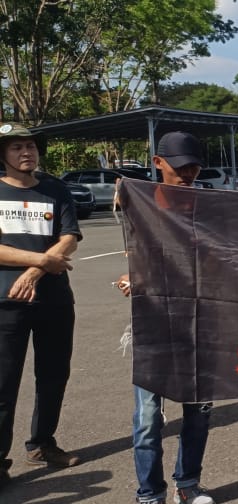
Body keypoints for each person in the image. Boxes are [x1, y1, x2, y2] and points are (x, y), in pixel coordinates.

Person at [117, 131, 216, 504]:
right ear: (158, 163)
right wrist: (134, 278)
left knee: (199, 412)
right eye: (180, 167)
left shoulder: (208, 207)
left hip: (201, 322)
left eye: (194, 167)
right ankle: (149, 493)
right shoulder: (139, 204)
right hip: (154, 323)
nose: (188, 174)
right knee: (147, 419)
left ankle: (187, 484)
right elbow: (138, 257)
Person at [0, 123, 81, 492]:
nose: (25, 153)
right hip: (7, 302)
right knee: (4, 383)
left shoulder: (55, 189)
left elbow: (68, 238)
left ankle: (42, 444)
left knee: (53, 376)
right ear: (4, 155)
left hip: (54, 299)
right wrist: (40, 260)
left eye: (30, 146)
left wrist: (35, 271)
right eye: (16, 148)